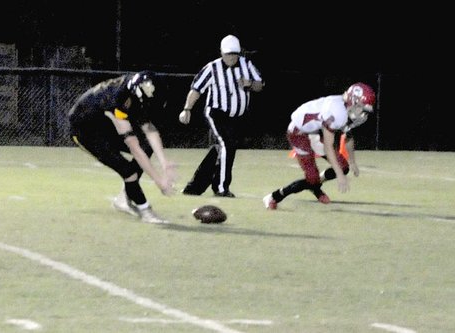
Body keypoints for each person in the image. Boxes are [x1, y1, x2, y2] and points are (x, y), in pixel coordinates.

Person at [68, 71, 177, 224]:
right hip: (85, 132)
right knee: (128, 171)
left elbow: (150, 129)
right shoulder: (118, 100)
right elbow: (134, 149)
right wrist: (159, 182)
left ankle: (125, 197)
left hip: (103, 124)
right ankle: (145, 210)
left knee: (147, 146)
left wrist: (164, 163)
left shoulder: (135, 88)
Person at [263, 82, 376, 210]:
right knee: (312, 178)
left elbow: (348, 135)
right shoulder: (336, 111)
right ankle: (274, 196)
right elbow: (328, 147)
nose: (362, 114)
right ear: (352, 101)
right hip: (299, 132)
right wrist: (339, 175)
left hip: (317, 131)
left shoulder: (348, 111)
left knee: (344, 167)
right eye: (361, 108)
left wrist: (352, 161)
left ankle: (315, 186)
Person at [178, 34, 264, 197]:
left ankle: (195, 186)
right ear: (221, 53)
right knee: (228, 145)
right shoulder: (212, 68)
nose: (231, 57)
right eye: (227, 54)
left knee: (219, 149)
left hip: (237, 117)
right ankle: (221, 187)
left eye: (234, 54)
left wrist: (250, 84)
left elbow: (260, 85)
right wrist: (187, 109)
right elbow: (196, 89)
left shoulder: (247, 64)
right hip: (216, 113)